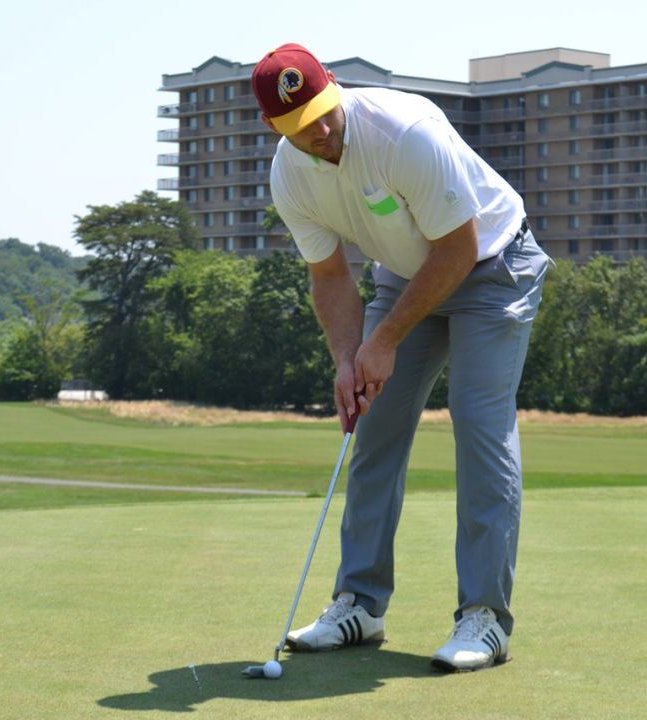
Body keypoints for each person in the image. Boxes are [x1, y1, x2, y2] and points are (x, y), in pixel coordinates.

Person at [252, 42, 551, 672]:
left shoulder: (403, 132)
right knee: (375, 427)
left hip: (494, 264)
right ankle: (359, 604)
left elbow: (458, 249)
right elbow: (330, 276)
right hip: (409, 273)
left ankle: (486, 619)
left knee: (478, 425)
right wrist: (347, 359)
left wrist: (382, 340)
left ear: (333, 88)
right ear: (276, 129)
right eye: (301, 128)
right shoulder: (290, 173)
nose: (322, 130)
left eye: (325, 112)